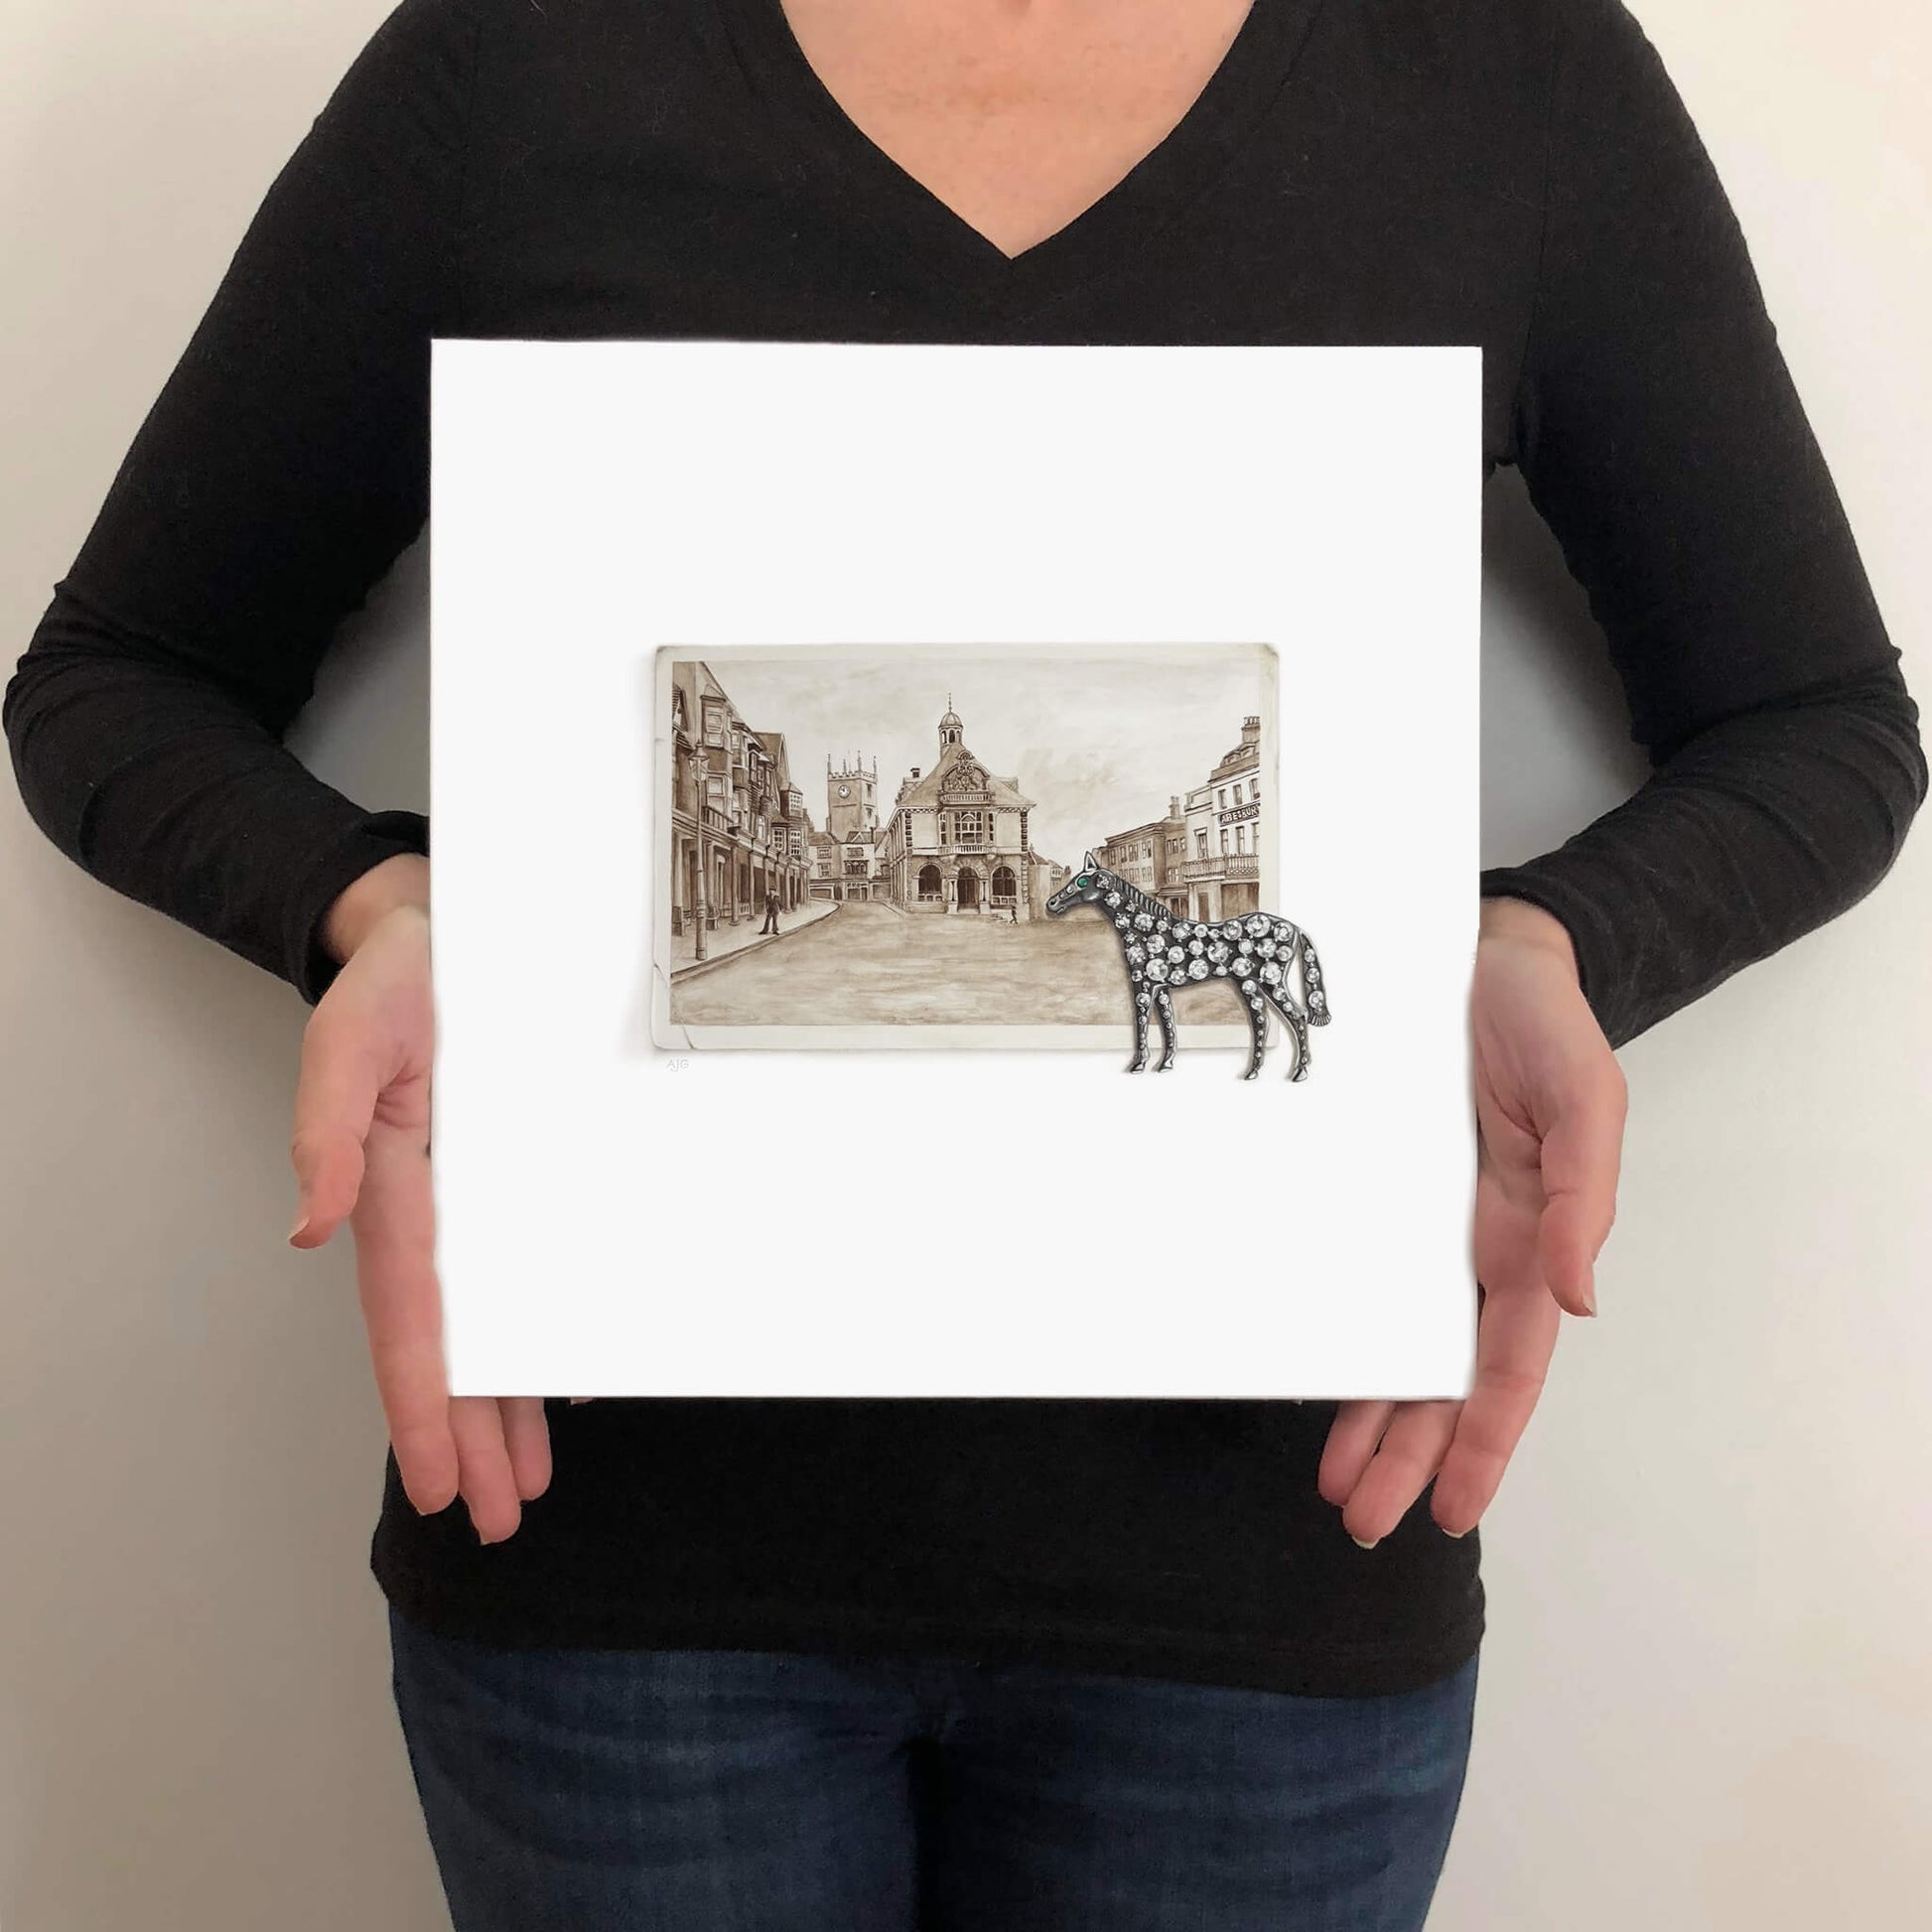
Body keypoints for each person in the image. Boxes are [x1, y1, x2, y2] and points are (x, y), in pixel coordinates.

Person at [5, 1, 1923, 1927]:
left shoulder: (1504, 66)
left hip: (1267, 1565)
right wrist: (394, 911)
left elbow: (1823, 724)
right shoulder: (522, 55)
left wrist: (1541, 939)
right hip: (615, 1569)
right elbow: (115, 687)